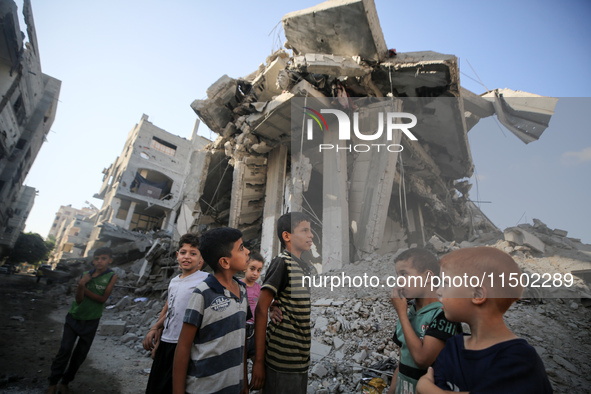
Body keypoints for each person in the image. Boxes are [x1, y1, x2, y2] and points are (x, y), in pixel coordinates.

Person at [416, 247, 553, 394]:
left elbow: (429, 387)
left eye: (446, 283)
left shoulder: (520, 359)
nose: (438, 290)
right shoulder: (453, 346)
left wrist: (427, 389)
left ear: (477, 294)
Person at [172, 227, 251, 394]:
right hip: (204, 388)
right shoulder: (203, 293)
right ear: (225, 262)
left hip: (233, 387)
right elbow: (184, 347)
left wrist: (243, 382)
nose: (248, 251)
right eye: (241, 248)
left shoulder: (242, 291)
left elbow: (240, 339)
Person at [251, 212, 315, 393]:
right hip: (282, 360)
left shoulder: (304, 267)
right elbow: (261, 309)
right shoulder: (282, 263)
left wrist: (276, 304)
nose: (310, 235)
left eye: (310, 230)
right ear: (287, 236)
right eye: (304, 230)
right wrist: (258, 361)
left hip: (299, 358)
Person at [388, 248, 462, 394]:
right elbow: (402, 363)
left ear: (428, 276)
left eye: (404, 274)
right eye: (397, 275)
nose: (399, 281)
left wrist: (402, 314)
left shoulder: (444, 314)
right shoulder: (409, 314)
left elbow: (422, 360)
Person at [142, 233, 209, 394]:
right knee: (156, 386)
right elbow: (169, 308)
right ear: (177, 255)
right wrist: (156, 329)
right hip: (166, 340)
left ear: (201, 260)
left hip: (186, 344)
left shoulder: (205, 280)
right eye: (183, 252)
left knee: (177, 385)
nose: (187, 257)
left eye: (193, 253)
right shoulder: (174, 281)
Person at [47, 247, 118, 394]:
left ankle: (65, 382)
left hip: (91, 320)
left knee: (80, 355)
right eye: (97, 258)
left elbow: (103, 299)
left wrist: (83, 287)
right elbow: (78, 300)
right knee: (64, 350)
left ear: (110, 260)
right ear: (93, 260)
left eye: (103, 258)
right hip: (74, 318)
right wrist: (81, 285)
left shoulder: (112, 276)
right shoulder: (85, 275)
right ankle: (53, 383)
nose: (100, 261)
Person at [241, 251, 264, 359]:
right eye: (252, 268)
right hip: (240, 328)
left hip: (254, 329)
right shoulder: (236, 284)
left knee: (255, 356)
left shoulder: (259, 289)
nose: (255, 273)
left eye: (259, 270)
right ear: (245, 267)